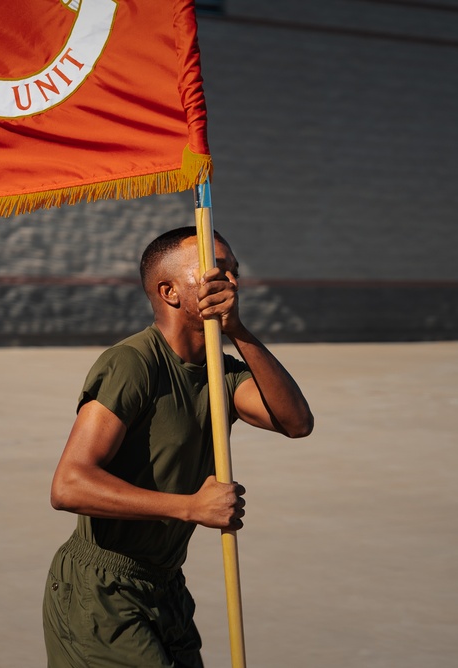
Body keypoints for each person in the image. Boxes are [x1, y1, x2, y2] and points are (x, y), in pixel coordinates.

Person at [42, 226, 313, 667]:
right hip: (102, 591)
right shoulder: (132, 363)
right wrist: (190, 507)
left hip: (166, 587)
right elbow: (69, 485)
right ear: (168, 291)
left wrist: (238, 330)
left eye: (234, 273)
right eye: (217, 272)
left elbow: (296, 422)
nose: (232, 283)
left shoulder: (221, 372)